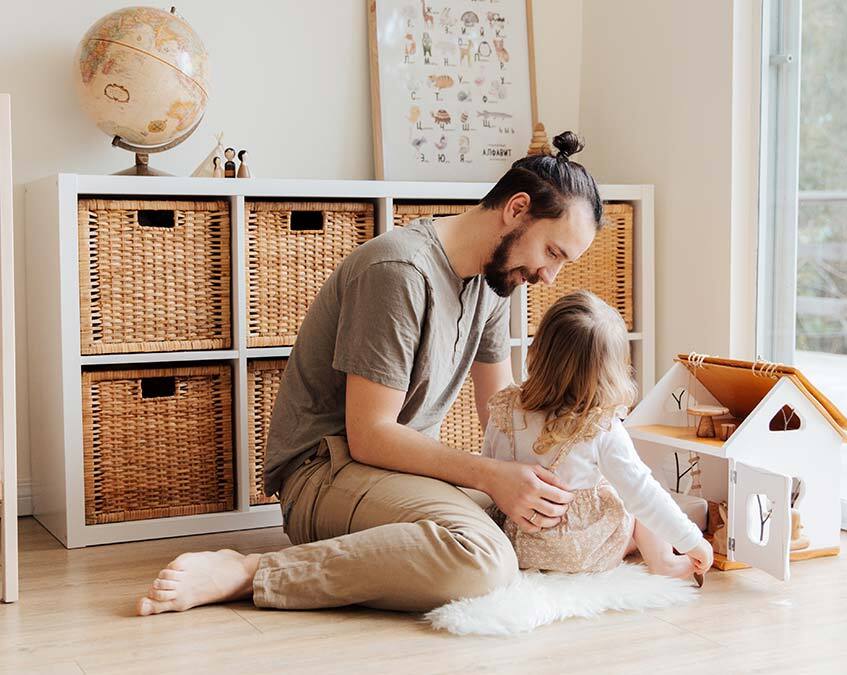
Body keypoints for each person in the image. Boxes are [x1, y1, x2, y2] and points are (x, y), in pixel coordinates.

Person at [137, 132, 604, 616]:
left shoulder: (491, 282)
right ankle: (254, 571)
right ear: (517, 209)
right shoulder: (399, 271)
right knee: (485, 560)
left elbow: (502, 415)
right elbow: (370, 435)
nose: (549, 276)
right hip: (326, 471)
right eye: (552, 253)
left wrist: (571, 471)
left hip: (402, 473)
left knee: (550, 516)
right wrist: (494, 478)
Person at [481, 290, 713, 582]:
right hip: (579, 551)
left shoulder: (505, 408)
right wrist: (693, 541)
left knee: (617, 488)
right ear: (610, 373)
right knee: (634, 495)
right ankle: (664, 561)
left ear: (537, 351)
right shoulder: (601, 427)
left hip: (517, 543)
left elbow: (489, 467)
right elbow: (643, 494)